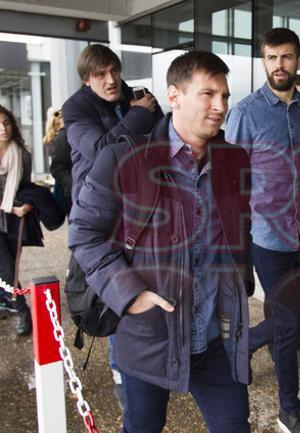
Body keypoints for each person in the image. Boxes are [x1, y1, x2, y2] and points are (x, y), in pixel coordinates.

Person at [68, 50, 252, 433]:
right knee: (142, 428)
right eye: (208, 94)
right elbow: (85, 234)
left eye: (225, 95)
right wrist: (129, 295)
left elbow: (238, 226)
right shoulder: (123, 159)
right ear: (174, 96)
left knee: (234, 424)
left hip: (215, 335)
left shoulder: (235, 160)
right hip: (150, 335)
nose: (221, 106)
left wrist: (239, 280)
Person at [225, 28, 300, 433]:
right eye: (271, 58)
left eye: (286, 57)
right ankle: (290, 409)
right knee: (287, 323)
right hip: (269, 236)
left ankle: (245, 345)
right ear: (264, 62)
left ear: (298, 61)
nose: (279, 65)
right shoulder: (246, 113)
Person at [62, 43, 163, 411]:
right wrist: (137, 115)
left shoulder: (138, 96)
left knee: (140, 293)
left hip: (142, 212)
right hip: (99, 216)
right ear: (87, 80)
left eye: (113, 71)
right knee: (111, 296)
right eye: (100, 75)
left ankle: (141, 368)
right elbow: (103, 147)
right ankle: (124, 378)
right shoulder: (76, 108)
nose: (110, 80)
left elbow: (164, 142)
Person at [0, 106, 33, 334]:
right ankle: (23, 312)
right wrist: (10, 206)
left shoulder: (22, 154)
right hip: (7, 212)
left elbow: (25, 189)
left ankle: (15, 305)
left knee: (10, 270)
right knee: (5, 270)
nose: (3, 129)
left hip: (11, 222)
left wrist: (27, 204)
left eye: (6, 123)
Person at [43, 108, 72, 214]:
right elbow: (57, 167)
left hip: (64, 184)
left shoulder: (52, 138)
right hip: (67, 185)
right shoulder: (62, 137)